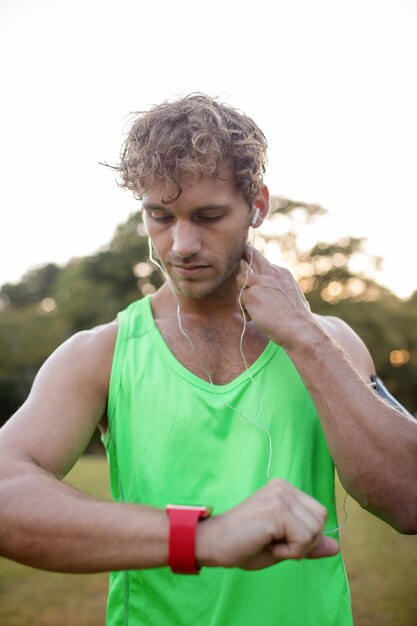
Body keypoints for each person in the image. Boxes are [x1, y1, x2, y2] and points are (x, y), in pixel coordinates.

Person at [0, 93, 416, 626]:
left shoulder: (330, 342)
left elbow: (409, 501)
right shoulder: (99, 353)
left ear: (258, 206)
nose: (181, 244)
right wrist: (202, 538)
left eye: (209, 215)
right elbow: (7, 492)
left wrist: (306, 339)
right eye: (160, 216)